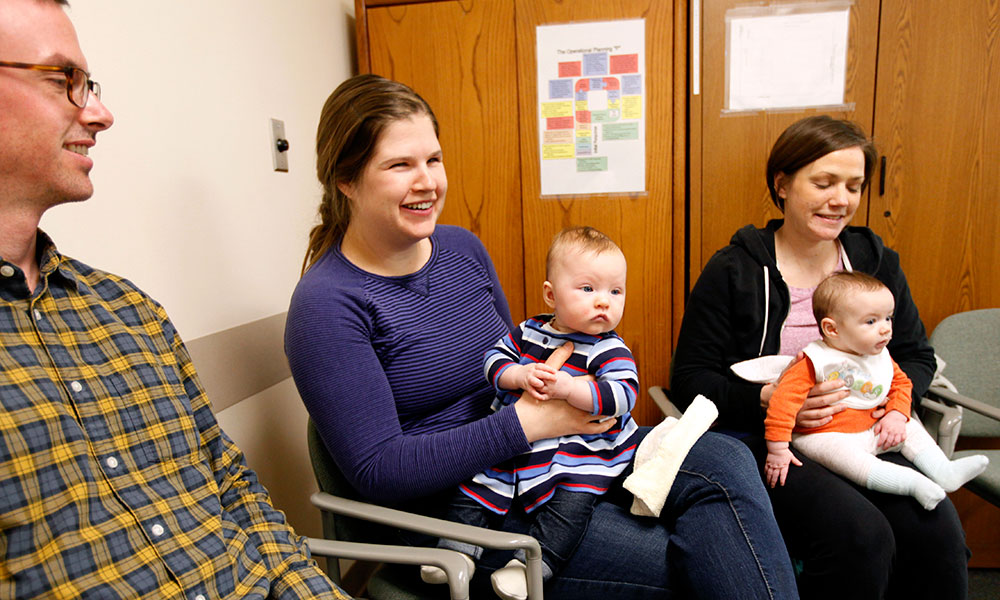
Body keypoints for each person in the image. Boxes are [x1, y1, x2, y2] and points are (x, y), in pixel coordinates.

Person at [285, 72, 799, 599]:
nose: (428, 182)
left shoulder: (462, 249)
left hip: (562, 441)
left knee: (727, 463)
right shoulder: (327, 306)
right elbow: (378, 470)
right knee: (675, 559)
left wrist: (569, 406)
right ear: (345, 179)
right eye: (399, 165)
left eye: (433, 159)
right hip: (467, 502)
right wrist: (525, 425)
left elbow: (525, 345)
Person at [0, 1, 348, 598]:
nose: (101, 114)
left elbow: (235, 491)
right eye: (65, 82)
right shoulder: (330, 298)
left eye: (91, 85)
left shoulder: (128, 311)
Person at [671, 115, 969, 599]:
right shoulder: (736, 269)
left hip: (868, 430)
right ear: (782, 184)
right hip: (771, 444)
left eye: (853, 186)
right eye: (824, 182)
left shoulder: (873, 261)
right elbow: (689, 378)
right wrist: (767, 400)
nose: (841, 200)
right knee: (860, 535)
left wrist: (892, 407)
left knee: (936, 529)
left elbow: (914, 354)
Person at [423, 226, 640, 600]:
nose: (603, 301)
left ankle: (527, 570)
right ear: (551, 295)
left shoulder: (609, 349)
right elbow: (493, 361)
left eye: (615, 291)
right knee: (475, 486)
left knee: (571, 508)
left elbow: (624, 395)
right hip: (515, 443)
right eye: (588, 289)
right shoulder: (529, 331)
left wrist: (573, 389)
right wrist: (518, 374)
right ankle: (456, 550)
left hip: (578, 454)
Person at [759, 271, 987, 508]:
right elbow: (782, 405)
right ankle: (913, 484)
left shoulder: (879, 356)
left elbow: (901, 384)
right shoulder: (814, 361)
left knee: (911, 428)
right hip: (827, 434)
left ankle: (944, 471)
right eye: (871, 321)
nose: (885, 329)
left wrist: (896, 415)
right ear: (832, 329)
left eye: (888, 318)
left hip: (875, 427)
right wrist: (777, 449)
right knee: (854, 463)